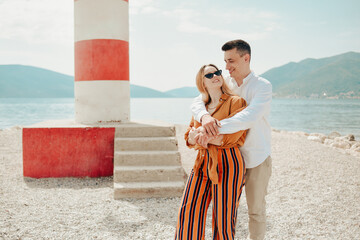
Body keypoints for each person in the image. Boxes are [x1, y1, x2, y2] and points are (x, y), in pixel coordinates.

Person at [191, 40, 272, 240]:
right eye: (225, 62)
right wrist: (205, 117)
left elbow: (249, 117)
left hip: (255, 157)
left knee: (255, 210)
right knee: (227, 211)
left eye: (231, 61)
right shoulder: (227, 82)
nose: (226, 67)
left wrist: (209, 129)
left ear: (246, 58)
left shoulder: (262, 86)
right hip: (228, 158)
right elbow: (198, 99)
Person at [174, 64, 248, 240]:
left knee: (223, 220)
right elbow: (188, 138)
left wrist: (200, 136)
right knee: (188, 211)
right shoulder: (200, 109)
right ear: (202, 82)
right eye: (210, 75)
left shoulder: (236, 102)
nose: (216, 76)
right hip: (202, 163)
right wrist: (203, 137)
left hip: (229, 164)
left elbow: (234, 137)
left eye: (218, 72)